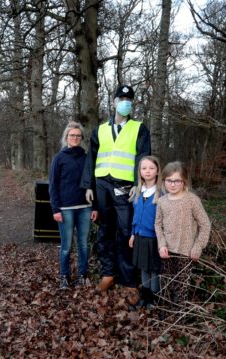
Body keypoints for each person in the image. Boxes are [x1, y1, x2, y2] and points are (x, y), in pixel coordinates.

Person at [80, 84, 151, 291]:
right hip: (102, 186)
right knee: (105, 231)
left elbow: (143, 157)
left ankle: (128, 280)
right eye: (121, 99)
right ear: (114, 102)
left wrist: (139, 184)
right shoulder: (100, 130)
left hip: (125, 187)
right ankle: (108, 274)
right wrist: (88, 186)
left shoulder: (139, 128)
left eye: (129, 101)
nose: (125, 103)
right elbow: (91, 160)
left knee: (126, 231)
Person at [49, 122, 98, 289]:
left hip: (85, 207)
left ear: (81, 138)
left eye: (78, 135)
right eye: (72, 135)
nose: (75, 138)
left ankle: (82, 275)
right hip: (65, 209)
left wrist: (95, 207)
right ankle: (64, 276)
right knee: (66, 246)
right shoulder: (59, 158)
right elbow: (53, 186)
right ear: (66, 137)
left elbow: (93, 183)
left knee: (83, 244)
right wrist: (56, 209)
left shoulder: (87, 158)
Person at [155, 161, 211, 304]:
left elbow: (205, 224)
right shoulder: (161, 201)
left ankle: (179, 320)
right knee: (166, 285)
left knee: (181, 288)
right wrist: (161, 245)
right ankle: (164, 317)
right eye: (169, 180)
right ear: (163, 181)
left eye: (177, 181)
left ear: (184, 181)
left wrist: (198, 246)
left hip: (185, 253)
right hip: (166, 251)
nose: (172, 184)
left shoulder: (192, 200)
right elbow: (158, 224)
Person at [128, 156, 163, 308]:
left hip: (154, 238)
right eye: (144, 168)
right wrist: (132, 233)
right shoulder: (138, 192)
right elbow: (135, 216)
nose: (147, 171)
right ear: (140, 172)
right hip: (140, 237)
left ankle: (155, 299)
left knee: (154, 269)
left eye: (151, 168)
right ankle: (145, 296)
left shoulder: (161, 194)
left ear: (157, 171)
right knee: (143, 267)